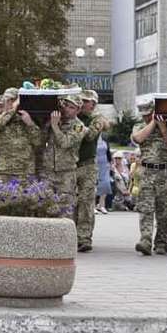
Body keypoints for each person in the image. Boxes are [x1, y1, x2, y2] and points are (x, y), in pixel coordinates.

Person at [131, 99, 167, 256]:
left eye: (149, 114)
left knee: (164, 210)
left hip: (165, 172)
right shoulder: (140, 126)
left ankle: (162, 243)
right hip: (147, 171)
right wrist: (153, 123)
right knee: (146, 208)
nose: (145, 117)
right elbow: (138, 138)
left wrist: (163, 127)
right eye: (143, 115)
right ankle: (145, 240)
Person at [75, 90, 109, 252]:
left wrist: (73, 119)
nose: (90, 105)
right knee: (70, 202)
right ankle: (71, 235)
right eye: (87, 101)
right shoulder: (69, 116)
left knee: (86, 202)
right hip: (70, 165)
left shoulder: (96, 119)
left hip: (87, 165)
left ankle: (84, 237)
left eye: (93, 102)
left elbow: (89, 136)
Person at [41, 94, 86, 217]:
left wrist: (55, 126)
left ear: (78, 110)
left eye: (71, 107)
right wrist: (49, 124)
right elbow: (40, 140)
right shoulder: (55, 121)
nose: (67, 109)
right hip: (48, 171)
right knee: (45, 207)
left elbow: (65, 143)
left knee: (65, 210)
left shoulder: (79, 126)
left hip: (66, 173)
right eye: (65, 105)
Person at [0, 88, 41, 183]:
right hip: (4, 170)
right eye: (7, 100)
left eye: (13, 100)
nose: (10, 103)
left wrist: (30, 124)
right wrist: (12, 110)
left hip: (24, 170)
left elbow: (38, 142)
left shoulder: (26, 116)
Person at [95, 134, 113, 215]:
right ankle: (93, 206)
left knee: (105, 184)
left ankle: (102, 205)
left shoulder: (105, 138)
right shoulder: (92, 136)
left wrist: (110, 162)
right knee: (94, 185)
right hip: (95, 164)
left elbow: (108, 151)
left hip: (105, 164)